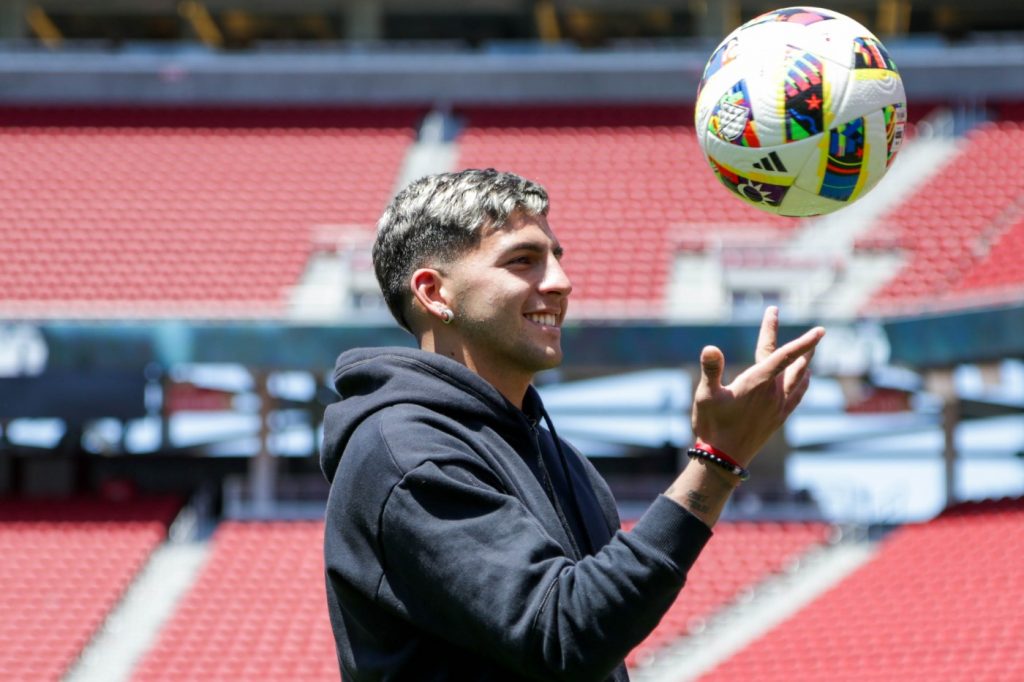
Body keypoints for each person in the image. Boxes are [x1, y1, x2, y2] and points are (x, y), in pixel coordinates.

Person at [321, 168, 824, 681]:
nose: (561, 283)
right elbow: (562, 636)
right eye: (522, 261)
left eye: (556, 258)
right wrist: (716, 464)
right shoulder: (405, 452)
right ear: (435, 293)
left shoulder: (560, 459)